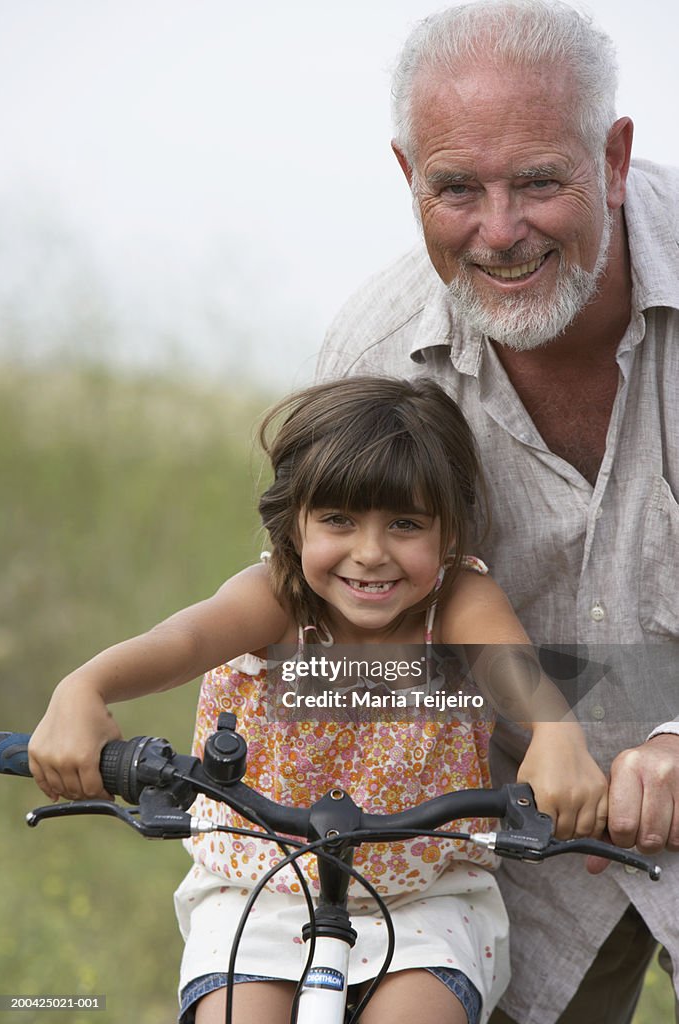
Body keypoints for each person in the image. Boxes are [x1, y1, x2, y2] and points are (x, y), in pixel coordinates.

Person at [28, 376, 607, 1024]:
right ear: (294, 524)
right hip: (256, 886)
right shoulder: (273, 601)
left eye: (405, 524)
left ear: (448, 534)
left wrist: (556, 737)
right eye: (337, 519)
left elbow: (515, 672)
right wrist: (83, 688)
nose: (370, 553)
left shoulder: (456, 604)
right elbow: (182, 641)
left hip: (425, 899)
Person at [316, 3, 679, 1023]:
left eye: (537, 181)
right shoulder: (371, 361)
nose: (500, 229)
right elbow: (332, 636)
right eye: (455, 189)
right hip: (509, 841)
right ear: (406, 180)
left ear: (610, 158)